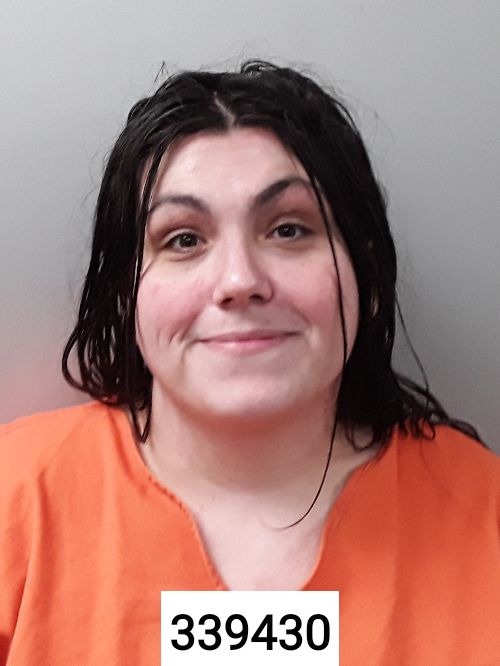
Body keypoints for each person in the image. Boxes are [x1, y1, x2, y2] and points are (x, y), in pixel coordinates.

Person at [0, 61, 498, 665]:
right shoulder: (14, 497)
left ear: (365, 278)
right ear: (127, 295)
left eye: (288, 230)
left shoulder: (484, 513)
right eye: (183, 239)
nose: (239, 281)